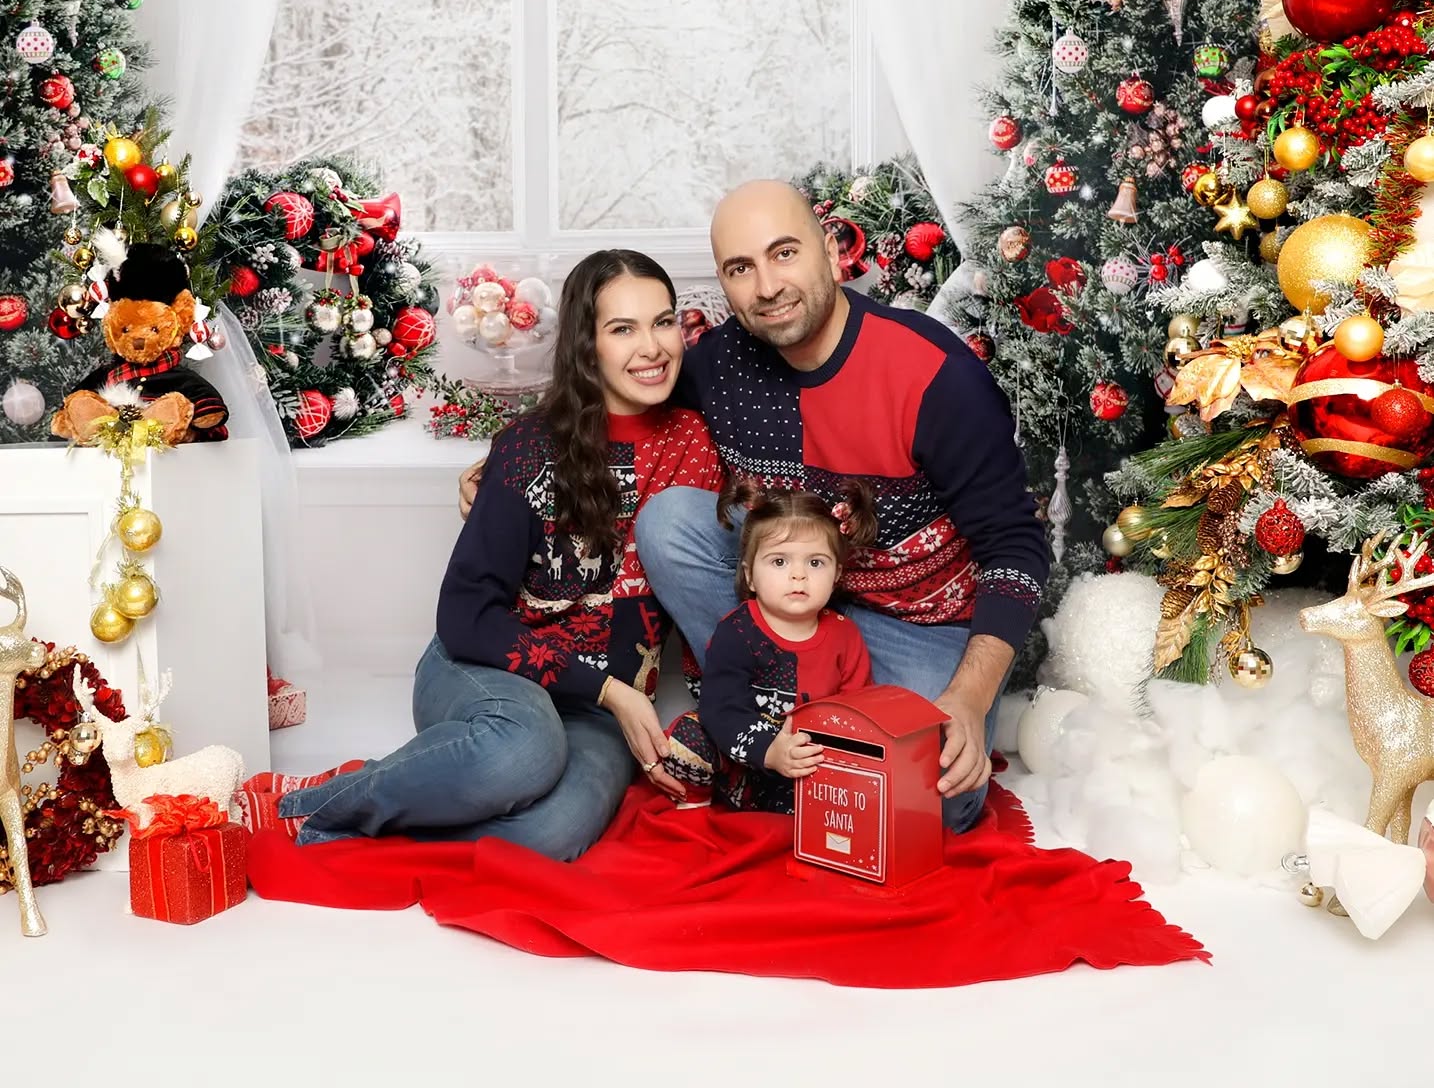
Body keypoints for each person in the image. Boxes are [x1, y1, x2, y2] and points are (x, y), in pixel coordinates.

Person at [252, 249, 724, 858]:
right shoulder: (531, 448)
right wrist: (616, 692)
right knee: (524, 751)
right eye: (622, 328)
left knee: (548, 836)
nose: (652, 346)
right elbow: (467, 617)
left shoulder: (700, 445)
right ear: (586, 344)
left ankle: (409, 800)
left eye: (662, 322)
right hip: (484, 668)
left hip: (595, 709)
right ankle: (308, 803)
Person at [633, 179, 1051, 834]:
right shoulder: (720, 364)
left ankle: (802, 753)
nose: (767, 286)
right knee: (670, 523)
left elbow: (1016, 548)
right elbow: (621, 395)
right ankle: (748, 719)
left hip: (914, 624)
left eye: (784, 253)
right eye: (740, 269)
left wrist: (968, 700)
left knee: (936, 799)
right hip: (787, 602)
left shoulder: (932, 374)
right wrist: (512, 458)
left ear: (830, 251)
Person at [664, 478, 876, 812]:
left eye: (815, 562)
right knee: (686, 735)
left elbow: (857, 713)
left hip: (805, 767)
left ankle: (793, 814)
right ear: (750, 575)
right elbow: (721, 709)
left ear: (836, 574)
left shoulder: (844, 636)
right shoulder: (736, 632)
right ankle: (694, 802)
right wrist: (769, 751)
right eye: (779, 562)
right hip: (743, 763)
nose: (798, 576)